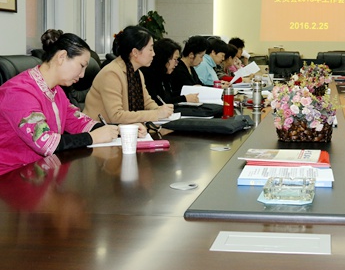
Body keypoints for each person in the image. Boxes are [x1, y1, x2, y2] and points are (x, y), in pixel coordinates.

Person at [0, 30, 120, 175]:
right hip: (11, 177)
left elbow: (78, 122)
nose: (82, 75)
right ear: (62, 57)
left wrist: (122, 130)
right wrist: (92, 137)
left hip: (43, 172)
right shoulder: (20, 92)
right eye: (82, 65)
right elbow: (45, 142)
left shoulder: (56, 91)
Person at [84, 25, 174, 123]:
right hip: (101, 129)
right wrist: (156, 114)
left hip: (123, 128)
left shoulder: (137, 73)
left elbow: (147, 102)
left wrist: (160, 110)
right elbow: (116, 116)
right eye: (150, 49)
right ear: (135, 52)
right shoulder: (111, 73)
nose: (153, 54)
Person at [141, 38, 200, 105]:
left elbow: (169, 96)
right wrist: (184, 98)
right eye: (175, 59)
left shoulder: (165, 74)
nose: (176, 64)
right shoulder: (148, 76)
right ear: (165, 58)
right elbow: (160, 102)